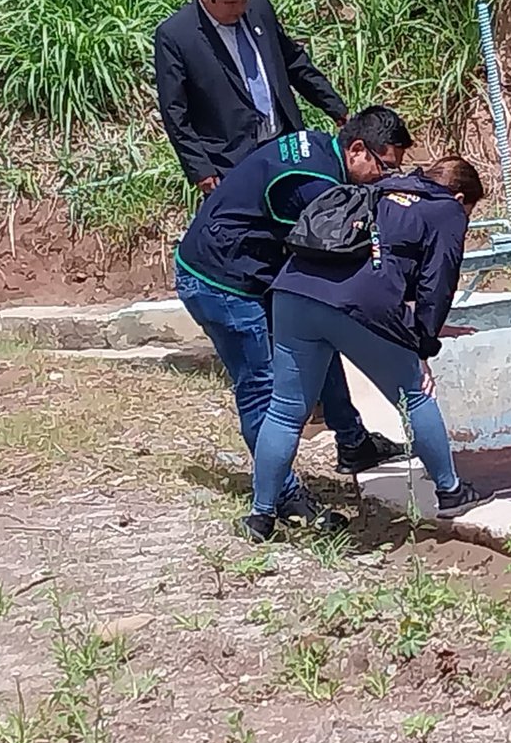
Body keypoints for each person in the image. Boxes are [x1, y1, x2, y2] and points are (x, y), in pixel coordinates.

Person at [175, 107, 415, 526]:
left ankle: (353, 441)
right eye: (384, 167)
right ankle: (280, 496)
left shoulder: (323, 151)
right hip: (222, 282)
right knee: (262, 388)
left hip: (245, 267)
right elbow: (332, 256)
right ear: (357, 149)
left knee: (316, 338)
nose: (387, 178)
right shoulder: (314, 184)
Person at [241, 156, 493, 542]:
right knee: (415, 394)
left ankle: (260, 517)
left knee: (286, 411)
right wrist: (422, 347)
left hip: (292, 293)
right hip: (358, 305)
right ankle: (450, 490)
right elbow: (437, 284)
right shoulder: (447, 210)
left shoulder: (382, 187)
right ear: (461, 197)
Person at [155, 0, 350, 196]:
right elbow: (174, 112)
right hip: (230, 160)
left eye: (244, 0)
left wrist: (334, 107)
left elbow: (292, 60)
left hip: (283, 142)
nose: (239, 9)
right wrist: (200, 168)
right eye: (230, 3)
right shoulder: (176, 36)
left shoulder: (258, 7)